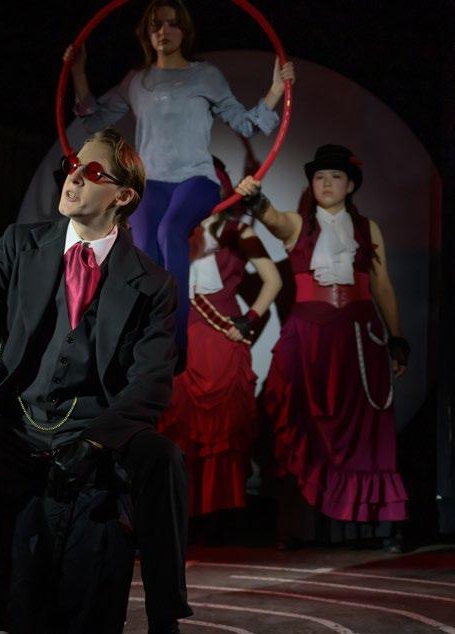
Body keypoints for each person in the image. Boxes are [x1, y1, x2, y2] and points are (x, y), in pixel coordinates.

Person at [0, 129, 190, 634]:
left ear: (123, 196)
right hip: (15, 427)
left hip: (94, 432)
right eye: (74, 166)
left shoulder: (152, 284)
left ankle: (166, 619)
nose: (73, 177)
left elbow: (152, 383)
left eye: (92, 172)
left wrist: (97, 441)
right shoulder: (20, 244)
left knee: (162, 458)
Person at [64, 0, 294, 361]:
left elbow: (246, 124)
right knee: (144, 251)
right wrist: (79, 72)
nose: (164, 31)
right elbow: (94, 121)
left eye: (172, 24)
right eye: (156, 24)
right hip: (151, 184)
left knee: (170, 230)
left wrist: (277, 90)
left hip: (195, 181)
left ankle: (176, 343)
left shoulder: (206, 76)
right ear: (146, 32)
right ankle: (143, 343)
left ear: (184, 31)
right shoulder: (136, 81)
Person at [236, 144, 410, 548]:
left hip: (358, 339)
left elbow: (382, 285)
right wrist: (256, 200)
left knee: (366, 434)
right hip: (309, 340)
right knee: (301, 424)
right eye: (319, 177)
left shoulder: (368, 228)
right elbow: (274, 219)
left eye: (335, 177)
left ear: (350, 185)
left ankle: (376, 525)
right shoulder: (299, 223)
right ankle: (300, 528)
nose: (326, 184)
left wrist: (397, 337)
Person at [158, 158, 281, 540]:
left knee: (223, 435)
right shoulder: (170, 231)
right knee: (177, 428)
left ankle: (218, 521)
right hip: (181, 342)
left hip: (222, 344)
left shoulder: (238, 231)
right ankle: (177, 516)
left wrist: (249, 319)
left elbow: (273, 280)